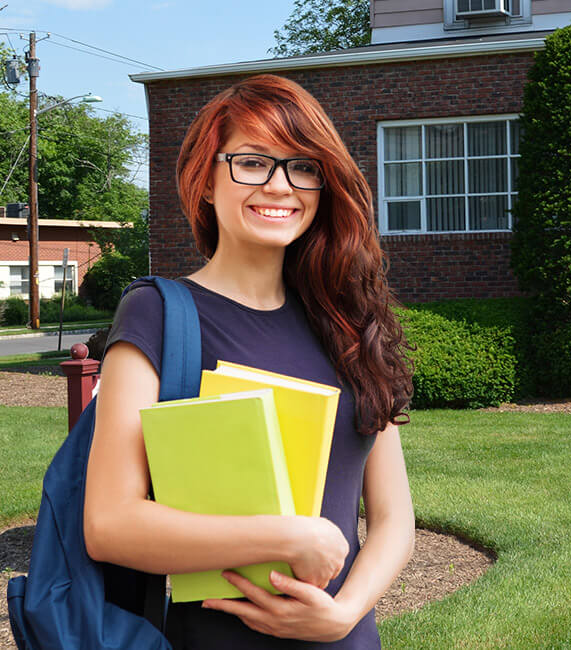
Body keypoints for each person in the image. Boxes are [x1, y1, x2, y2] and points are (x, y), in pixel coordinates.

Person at [83, 74, 415, 648]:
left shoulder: (346, 321)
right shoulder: (158, 313)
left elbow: (393, 517)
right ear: (206, 180)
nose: (281, 186)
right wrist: (285, 538)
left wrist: (343, 614)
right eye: (254, 162)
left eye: (303, 166)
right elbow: (109, 523)